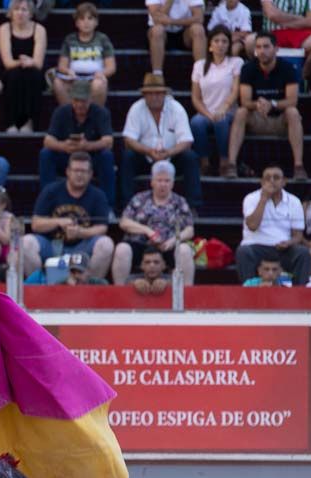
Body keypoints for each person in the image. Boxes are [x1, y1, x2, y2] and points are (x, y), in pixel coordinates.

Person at [20, 151, 114, 280]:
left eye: (83, 171)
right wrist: (59, 222)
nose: (79, 174)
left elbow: (102, 228)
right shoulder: (51, 191)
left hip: (82, 246)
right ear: (68, 172)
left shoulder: (98, 195)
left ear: (91, 174)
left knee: (106, 244)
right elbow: (36, 224)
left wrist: (80, 232)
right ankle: (39, 286)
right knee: (26, 243)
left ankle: (91, 286)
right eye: (76, 170)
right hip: (52, 245)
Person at [228, 32, 305, 180]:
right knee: (241, 112)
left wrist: (273, 104)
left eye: (266, 47)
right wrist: (258, 104)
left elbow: (292, 100)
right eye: (258, 47)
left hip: (279, 120)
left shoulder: (288, 68)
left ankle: (299, 166)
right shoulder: (248, 68)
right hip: (258, 119)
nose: (262, 51)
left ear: (276, 48)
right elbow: (245, 101)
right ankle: (231, 164)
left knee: (293, 112)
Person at [120, 73, 201, 210]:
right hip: (145, 157)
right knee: (127, 157)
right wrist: (148, 151)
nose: (154, 97)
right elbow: (129, 139)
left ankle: (193, 207)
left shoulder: (176, 108)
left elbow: (186, 140)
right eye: (150, 94)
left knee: (190, 157)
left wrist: (169, 152)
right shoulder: (136, 108)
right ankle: (125, 206)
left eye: (158, 93)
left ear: (164, 94)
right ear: (144, 95)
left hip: (171, 157)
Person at [111, 160, 195, 286]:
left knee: (185, 250)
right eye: (159, 180)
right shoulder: (139, 199)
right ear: (152, 182)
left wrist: (173, 241)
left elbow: (189, 230)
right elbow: (124, 222)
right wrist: (147, 231)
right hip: (141, 245)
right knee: (122, 249)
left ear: (172, 183)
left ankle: (187, 295)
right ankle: (120, 294)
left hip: (168, 247)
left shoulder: (179, 202)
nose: (163, 184)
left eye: (167, 181)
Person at [39, 79, 116, 207]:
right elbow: (48, 141)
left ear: (90, 99)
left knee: (106, 156)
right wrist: (64, 146)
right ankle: (47, 203)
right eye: (76, 100)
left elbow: (108, 141)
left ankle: (108, 206)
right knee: (46, 154)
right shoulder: (61, 112)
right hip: (67, 156)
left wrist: (88, 146)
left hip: (91, 157)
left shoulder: (101, 113)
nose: (80, 105)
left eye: (83, 101)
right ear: (71, 99)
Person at [236, 164, 309, 283]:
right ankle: (248, 293)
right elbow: (252, 226)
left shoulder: (294, 201)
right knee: (243, 252)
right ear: (261, 182)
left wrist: (289, 242)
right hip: (256, 246)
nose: (272, 181)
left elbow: (298, 235)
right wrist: (264, 199)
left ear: (284, 181)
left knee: (303, 253)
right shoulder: (251, 198)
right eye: (267, 178)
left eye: (276, 177)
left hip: (282, 249)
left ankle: (298, 295)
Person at [190, 25, 242, 177]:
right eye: (216, 41)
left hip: (229, 111)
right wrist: (207, 113)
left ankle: (224, 161)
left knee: (221, 120)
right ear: (210, 45)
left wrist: (223, 108)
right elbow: (195, 97)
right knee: (196, 122)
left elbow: (235, 91)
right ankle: (204, 162)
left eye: (224, 41)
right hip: (206, 111)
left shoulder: (236, 62)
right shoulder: (199, 65)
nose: (220, 44)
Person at [51, 3, 115, 107]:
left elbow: (111, 67)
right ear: (76, 23)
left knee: (99, 84)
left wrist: (102, 73)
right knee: (57, 83)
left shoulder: (102, 39)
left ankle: (94, 117)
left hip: (94, 78)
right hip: (74, 78)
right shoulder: (69, 39)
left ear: (96, 22)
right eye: (82, 19)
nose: (86, 22)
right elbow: (62, 65)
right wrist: (68, 71)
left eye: (90, 18)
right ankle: (70, 116)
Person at [0, 0, 45, 134]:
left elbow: (38, 63)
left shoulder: (39, 29)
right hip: (12, 70)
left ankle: (28, 122)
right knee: (14, 75)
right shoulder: (5, 28)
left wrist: (31, 62)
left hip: (32, 69)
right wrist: (22, 62)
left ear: (30, 13)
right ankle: (11, 123)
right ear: (11, 12)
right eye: (17, 9)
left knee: (33, 75)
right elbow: (7, 62)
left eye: (24, 10)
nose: (20, 13)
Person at [146, 0, 204, 77]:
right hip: (161, 33)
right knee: (157, 30)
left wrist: (172, 21)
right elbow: (157, 19)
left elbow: (199, 18)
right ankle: (157, 75)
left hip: (184, 31)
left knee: (198, 29)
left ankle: (202, 74)